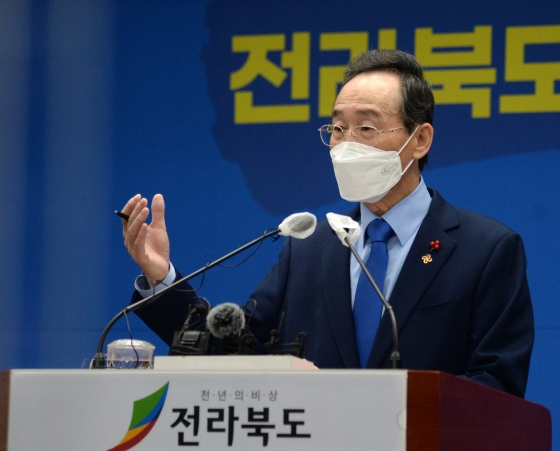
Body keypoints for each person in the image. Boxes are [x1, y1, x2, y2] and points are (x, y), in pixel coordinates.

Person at [121, 49, 534, 398]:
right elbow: (235, 354)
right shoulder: (308, 248)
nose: (345, 144)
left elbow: (496, 388)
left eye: (366, 127)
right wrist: (162, 279)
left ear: (420, 140)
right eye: (337, 128)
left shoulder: (486, 250)